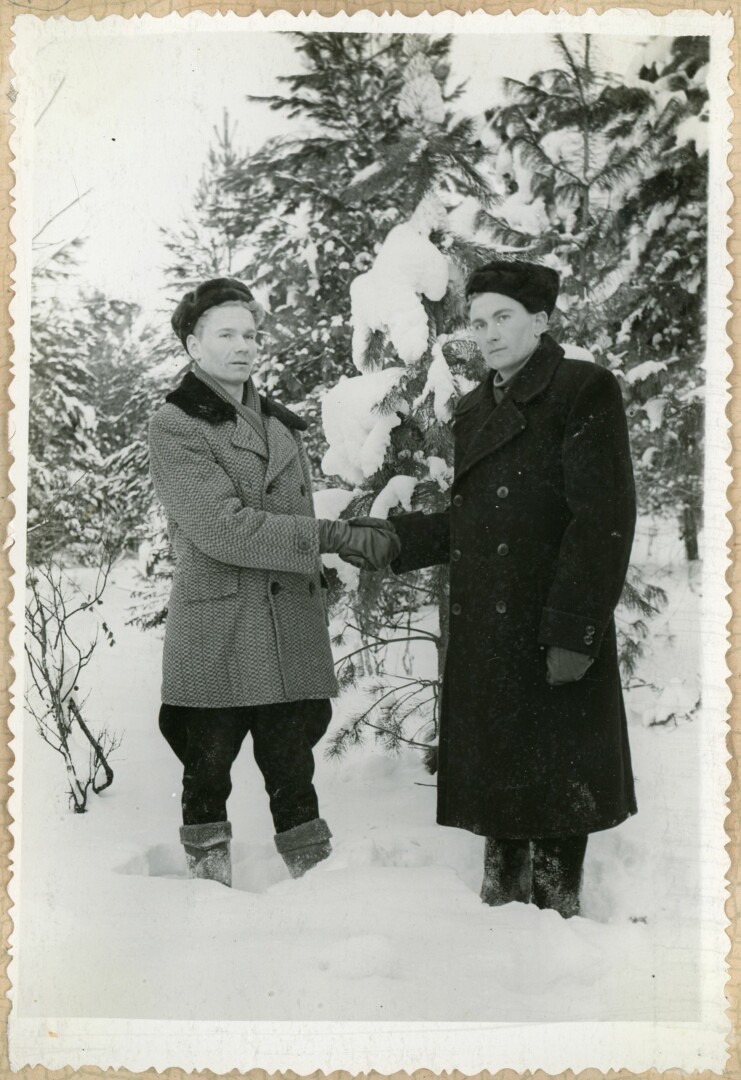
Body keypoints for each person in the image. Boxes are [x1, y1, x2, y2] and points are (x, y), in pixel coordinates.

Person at [386, 260, 637, 918]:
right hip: (490, 632)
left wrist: (573, 628)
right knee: (502, 784)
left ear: (541, 321)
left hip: (548, 619)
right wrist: (391, 542)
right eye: (478, 320)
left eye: (503, 318)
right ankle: (498, 909)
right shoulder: (473, 409)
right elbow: (475, 523)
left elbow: (603, 519)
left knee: (554, 788)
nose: (488, 333)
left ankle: (559, 916)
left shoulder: (583, 389)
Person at [149, 277, 399, 887]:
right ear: (193, 345)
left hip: (285, 625)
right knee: (206, 770)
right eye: (226, 335)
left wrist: (325, 558)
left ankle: (314, 887)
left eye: (251, 335)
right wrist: (329, 537)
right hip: (221, 627)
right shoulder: (177, 423)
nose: (243, 347)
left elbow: (276, 520)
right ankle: (206, 891)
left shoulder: (277, 424)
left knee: (294, 770)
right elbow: (222, 528)